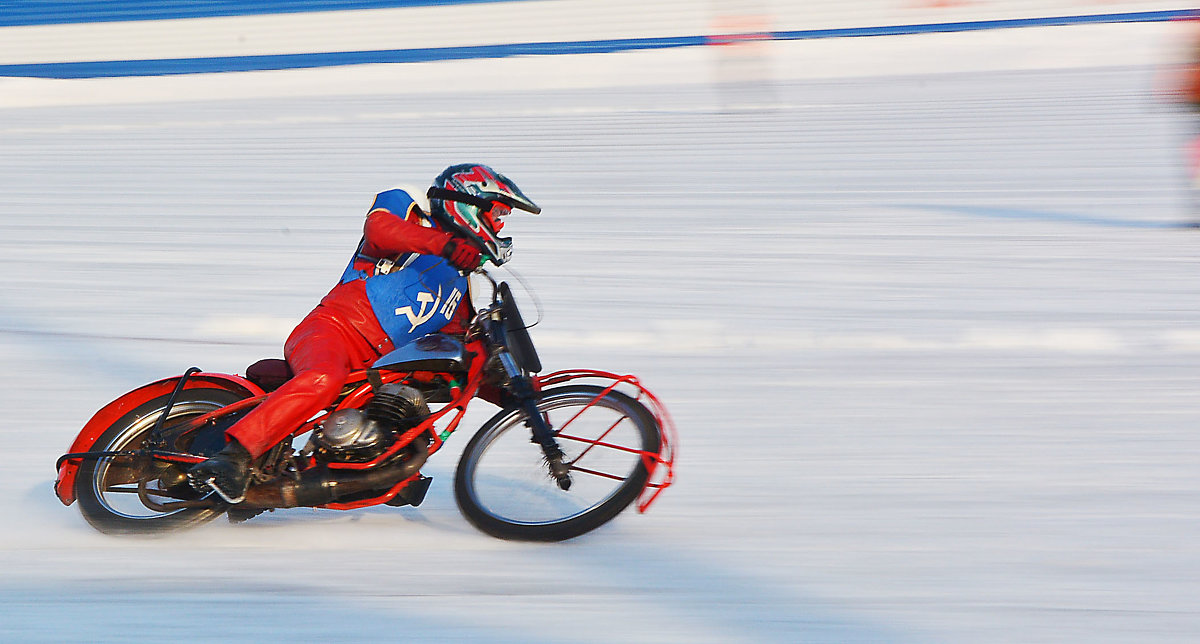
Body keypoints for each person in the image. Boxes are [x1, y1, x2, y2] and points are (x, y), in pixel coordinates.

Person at [187, 163, 541, 502]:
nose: (499, 224)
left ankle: (308, 482)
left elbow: (453, 352)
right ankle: (231, 459)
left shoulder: (460, 289)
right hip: (333, 329)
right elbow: (380, 231)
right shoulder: (410, 206)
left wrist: (515, 394)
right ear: (469, 202)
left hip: (375, 368)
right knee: (323, 377)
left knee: (407, 427)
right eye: (497, 213)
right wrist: (445, 245)